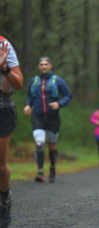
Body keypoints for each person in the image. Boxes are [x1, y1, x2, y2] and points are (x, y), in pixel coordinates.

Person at [24, 56, 72, 183]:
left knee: (51, 146)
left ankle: (52, 168)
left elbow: (68, 96)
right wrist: (28, 105)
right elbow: (30, 96)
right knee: (39, 143)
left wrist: (59, 104)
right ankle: (40, 171)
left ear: (50, 66)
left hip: (53, 118)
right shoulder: (34, 81)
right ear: (38, 66)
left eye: (46, 64)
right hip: (38, 117)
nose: (43, 66)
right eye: (41, 64)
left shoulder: (58, 81)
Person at [0, 36, 23, 228]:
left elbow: (19, 84)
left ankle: (5, 199)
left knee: (0, 166)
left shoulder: (3, 46)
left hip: (2, 108)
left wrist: (4, 69)